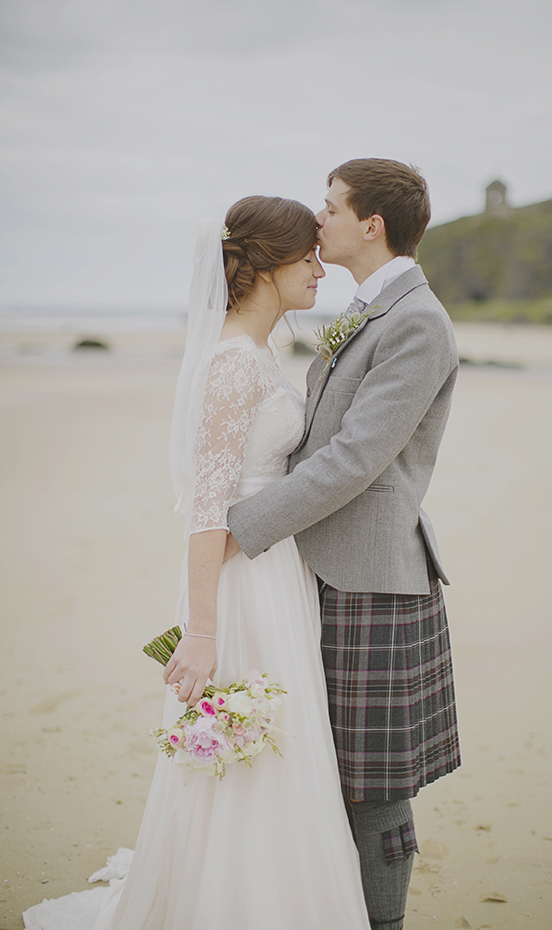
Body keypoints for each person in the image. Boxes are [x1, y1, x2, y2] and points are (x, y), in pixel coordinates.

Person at [23, 197, 371, 929]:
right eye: (307, 258)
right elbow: (207, 508)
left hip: (274, 570)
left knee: (280, 737)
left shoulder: (262, 351)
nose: (319, 271)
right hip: (239, 583)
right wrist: (203, 632)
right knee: (248, 736)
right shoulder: (232, 365)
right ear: (268, 266)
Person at [226, 159, 462, 930]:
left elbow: (357, 457)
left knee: (376, 785)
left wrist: (248, 524)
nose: (316, 220)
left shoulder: (417, 320)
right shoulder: (367, 305)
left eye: (329, 209)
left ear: (372, 226)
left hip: (372, 578)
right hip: (323, 568)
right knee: (325, 770)